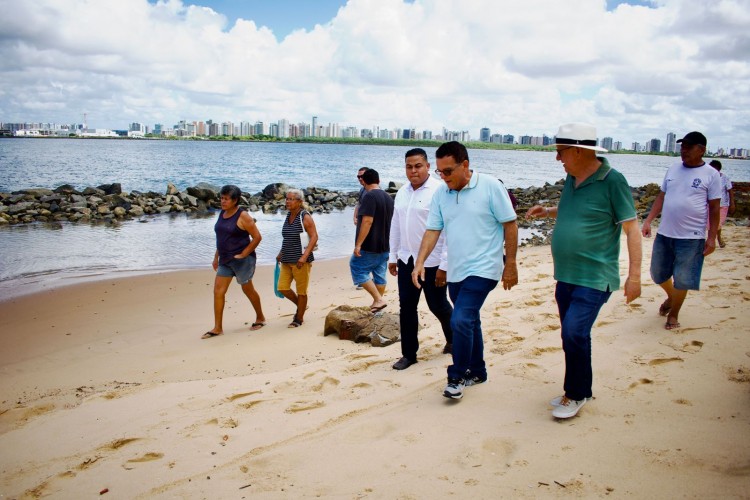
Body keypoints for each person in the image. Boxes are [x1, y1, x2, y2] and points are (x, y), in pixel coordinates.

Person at [527, 123, 642, 419]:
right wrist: (549, 211)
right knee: (572, 336)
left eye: (560, 152)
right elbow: (574, 209)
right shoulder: (571, 177)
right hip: (565, 274)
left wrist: (635, 276)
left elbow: (632, 230)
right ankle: (578, 390)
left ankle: (575, 395)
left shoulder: (613, 181)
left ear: (578, 151)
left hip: (595, 277)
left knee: (575, 332)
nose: (557, 159)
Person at [411, 141, 518, 400]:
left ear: (465, 165)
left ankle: (456, 376)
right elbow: (433, 230)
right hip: (457, 271)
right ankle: (478, 371)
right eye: (440, 172)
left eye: (448, 171)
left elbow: (511, 224)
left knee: (460, 320)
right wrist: (420, 262)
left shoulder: (491, 186)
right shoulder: (441, 194)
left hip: (484, 269)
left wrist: (511, 264)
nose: (443, 177)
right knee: (470, 321)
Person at [642, 131, 721, 330]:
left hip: (691, 237)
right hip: (665, 233)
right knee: (657, 273)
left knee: (683, 279)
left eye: (688, 147)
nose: (683, 150)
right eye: (682, 146)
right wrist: (648, 220)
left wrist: (711, 238)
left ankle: (674, 314)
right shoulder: (673, 169)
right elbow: (661, 197)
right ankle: (671, 296)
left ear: (701, 149)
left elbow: (714, 208)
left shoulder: (711, 175)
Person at [389, 148, 453, 370]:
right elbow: (396, 226)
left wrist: (445, 264)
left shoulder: (440, 190)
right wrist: (393, 255)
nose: (413, 170)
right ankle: (409, 354)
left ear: (427, 166)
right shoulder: (402, 192)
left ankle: (453, 339)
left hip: (433, 261)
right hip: (407, 259)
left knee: (438, 305)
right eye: (409, 166)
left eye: (418, 166)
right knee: (407, 307)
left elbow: (447, 231)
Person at [203, 185, 266, 339]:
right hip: (225, 259)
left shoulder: (243, 216)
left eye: (226, 199)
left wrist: (244, 253)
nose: (223, 201)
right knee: (218, 291)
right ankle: (217, 328)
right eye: (222, 198)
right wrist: (216, 257)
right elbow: (222, 238)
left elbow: (257, 237)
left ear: (235, 200)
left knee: (247, 290)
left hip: (242, 261)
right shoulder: (222, 213)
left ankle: (260, 318)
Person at [351, 168, 394, 312]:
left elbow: (367, 221)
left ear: (363, 181)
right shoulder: (388, 197)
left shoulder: (369, 196)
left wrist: (358, 244)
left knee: (356, 267)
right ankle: (378, 306)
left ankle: (378, 300)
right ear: (379, 180)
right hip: (385, 244)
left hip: (370, 244)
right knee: (379, 274)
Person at [276, 188, 318, 328]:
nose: (287, 201)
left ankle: (298, 318)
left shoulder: (304, 216)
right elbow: (288, 237)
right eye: (286, 199)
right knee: (282, 288)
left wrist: (304, 256)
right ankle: (301, 306)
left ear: (300, 201)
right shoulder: (288, 215)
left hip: (300, 261)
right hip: (286, 259)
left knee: (301, 291)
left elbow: (314, 237)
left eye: (291, 199)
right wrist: (281, 252)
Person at [708, 160, 735, 248]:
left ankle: (718, 237)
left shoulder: (724, 178)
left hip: (723, 205)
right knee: (709, 223)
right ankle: (711, 239)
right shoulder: (708, 178)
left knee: (718, 223)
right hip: (711, 204)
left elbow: (730, 191)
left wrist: (732, 203)